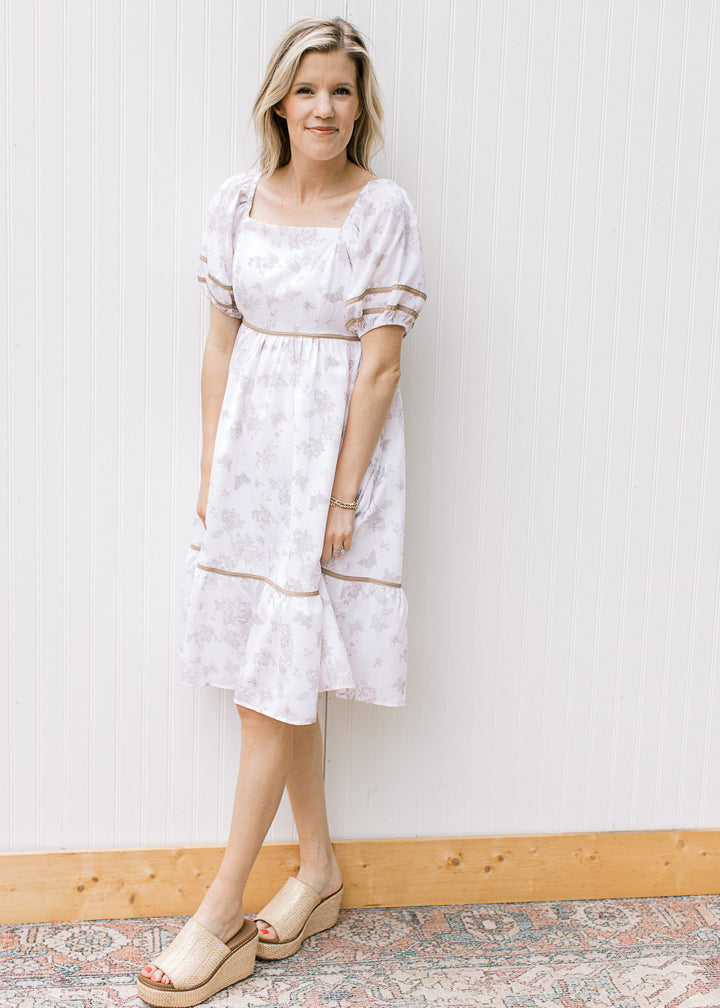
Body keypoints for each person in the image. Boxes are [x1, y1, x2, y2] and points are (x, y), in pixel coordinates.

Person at [137, 15, 426, 1007]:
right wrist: (214, 470)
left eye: (342, 92)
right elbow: (220, 346)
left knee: (273, 683)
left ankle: (220, 913)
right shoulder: (235, 203)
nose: (325, 109)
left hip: (333, 472)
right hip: (252, 466)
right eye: (309, 90)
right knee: (275, 669)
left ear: (361, 105)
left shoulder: (382, 208)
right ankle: (320, 872)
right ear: (280, 100)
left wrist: (343, 496)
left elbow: (382, 365)